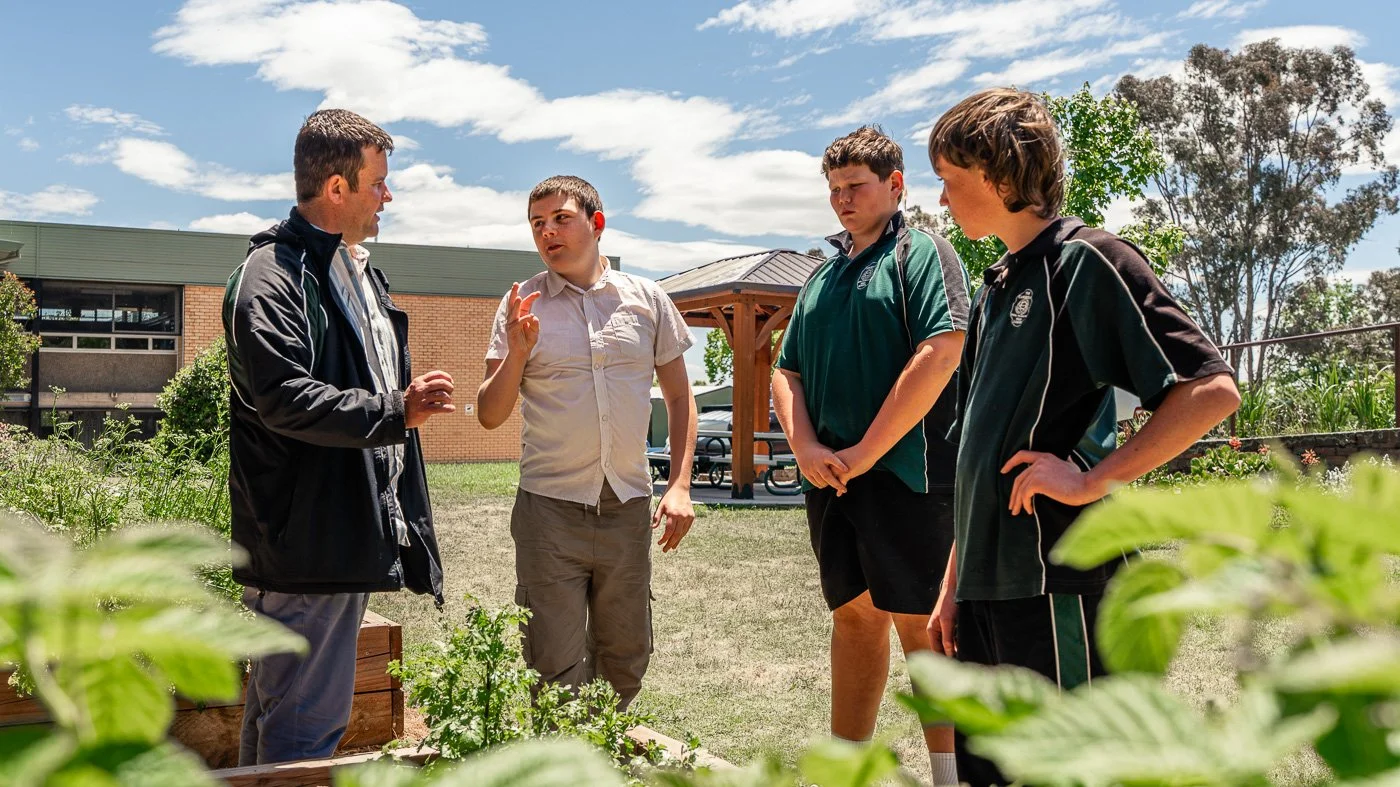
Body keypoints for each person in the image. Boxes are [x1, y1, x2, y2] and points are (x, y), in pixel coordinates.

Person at [926, 87, 1241, 786]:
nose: (942, 200)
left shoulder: (1089, 261)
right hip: (986, 593)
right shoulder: (993, 289)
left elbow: (1210, 390)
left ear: (1002, 175)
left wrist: (1092, 478)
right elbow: (977, 457)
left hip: (1058, 587)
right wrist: (953, 585)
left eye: (951, 181)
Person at [223, 109, 455, 765]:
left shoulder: (357, 274)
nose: (389, 195)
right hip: (305, 552)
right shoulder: (272, 277)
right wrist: (394, 410)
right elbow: (282, 395)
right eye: (378, 182)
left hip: (335, 540)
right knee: (301, 734)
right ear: (336, 189)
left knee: (277, 712)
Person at [771, 126, 969, 787]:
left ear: (896, 184)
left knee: (925, 629)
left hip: (908, 475)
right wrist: (805, 446)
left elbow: (941, 350)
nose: (842, 200)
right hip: (831, 481)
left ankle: (949, 775)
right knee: (854, 615)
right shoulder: (822, 275)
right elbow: (786, 370)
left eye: (855, 185)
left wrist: (863, 450)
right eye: (833, 189)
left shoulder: (923, 255)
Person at [476, 175, 697, 709]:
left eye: (560, 219)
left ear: (596, 224)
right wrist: (518, 353)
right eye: (537, 224)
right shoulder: (521, 305)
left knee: (626, 653)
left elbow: (680, 398)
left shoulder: (647, 300)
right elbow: (489, 414)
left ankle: (605, 756)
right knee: (553, 663)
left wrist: (680, 485)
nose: (548, 232)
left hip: (626, 507)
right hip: (549, 510)